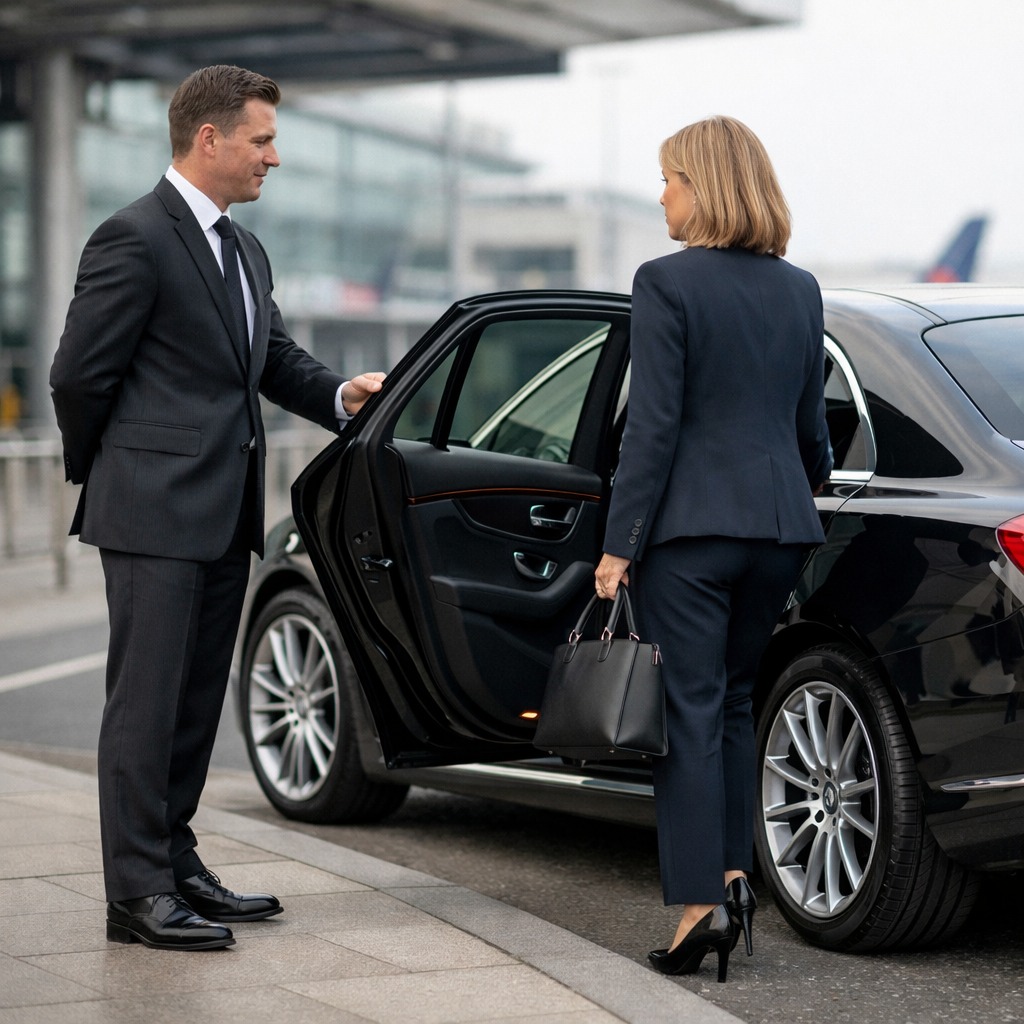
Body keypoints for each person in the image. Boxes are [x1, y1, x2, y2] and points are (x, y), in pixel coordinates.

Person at [49, 65, 385, 952]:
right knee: (145, 706)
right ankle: (136, 893)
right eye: (262, 139)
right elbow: (77, 376)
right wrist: (113, 472)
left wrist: (341, 396)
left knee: (195, 702)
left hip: (221, 510)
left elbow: (270, 358)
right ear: (210, 139)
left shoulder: (241, 247)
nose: (274, 156)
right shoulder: (133, 237)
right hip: (153, 511)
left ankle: (176, 861)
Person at [594, 115, 832, 982]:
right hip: (778, 533)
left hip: (689, 535)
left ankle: (699, 909)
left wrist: (620, 543)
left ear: (703, 184)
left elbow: (652, 427)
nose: (661, 193)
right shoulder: (800, 289)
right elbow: (812, 433)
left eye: (669, 177)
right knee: (730, 706)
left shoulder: (664, 282)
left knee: (688, 714)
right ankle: (734, 879)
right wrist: (791, 489)